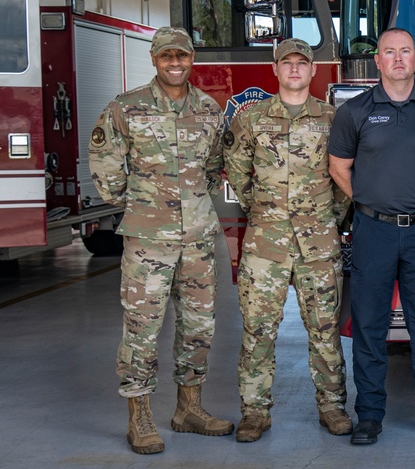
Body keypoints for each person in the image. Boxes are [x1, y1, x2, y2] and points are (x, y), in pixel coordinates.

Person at [89, 27, 233, 455]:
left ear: (192, 60)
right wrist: (139, 204)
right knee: (141, 328)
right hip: (147, 240)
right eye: (167, 56)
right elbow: (105, 166)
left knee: (199, 327)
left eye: (183, 56)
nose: (175, 63)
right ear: (154, 59)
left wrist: (189, 204)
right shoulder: (126, 107)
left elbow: (214, 167)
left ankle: (189, 409)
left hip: (198, 238)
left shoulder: (209, 109)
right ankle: (140, 417)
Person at [327, 27, 415, 445]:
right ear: (378, 60)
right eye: (390, 52)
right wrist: (373, 203)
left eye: (406, 51)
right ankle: (369, 416)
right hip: (373, 232)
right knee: (370, 326)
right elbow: (338, 168)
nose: (399, 59)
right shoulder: (355, 112)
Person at [223, 38, 353, 442]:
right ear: (275, 70)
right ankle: (254, 413)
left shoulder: (334, 119)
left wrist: (326, 218)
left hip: (319, 244)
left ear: (314, 71)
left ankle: (332, 408)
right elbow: (237, 173)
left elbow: (345, 178)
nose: (295, 69)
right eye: (287, 63)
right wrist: (265, 214)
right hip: (266, 245)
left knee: (324, 329)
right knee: (258, 330)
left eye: (302, 63)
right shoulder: (251, 119)